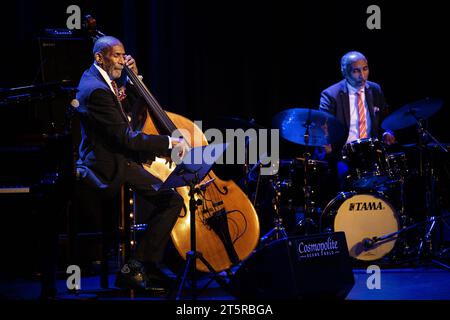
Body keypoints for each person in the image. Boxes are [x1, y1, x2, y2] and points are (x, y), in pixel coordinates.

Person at [75, 36, 189, 292]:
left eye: (123, 54)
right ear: (99, 58)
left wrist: (133, 79)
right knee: (170, 200)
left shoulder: (103, 81)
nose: (121, 60)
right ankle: (137, 267)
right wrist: (170, 144)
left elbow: (129, 114)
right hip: (107, 165)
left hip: (119, 156)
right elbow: (126, 136)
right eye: (116, 55)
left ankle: (147, 265)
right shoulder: (96, 91)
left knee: (169, 198)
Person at [318, 51, 395, 191]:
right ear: (345, 72)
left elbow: (386, 120)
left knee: (391, 180)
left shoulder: (375, 89)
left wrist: (387, 132)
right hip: (343, 154)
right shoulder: (330, 95)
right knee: (345, 180)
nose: (362, 75)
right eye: (356, 71)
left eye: (365, 69)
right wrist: (325, 141)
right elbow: (322, 126)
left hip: (371, 152)